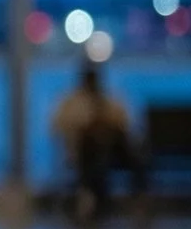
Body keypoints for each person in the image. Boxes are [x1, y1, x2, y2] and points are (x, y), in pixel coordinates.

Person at [52, 64, 144, 220]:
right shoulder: (71, 103)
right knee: (93, 149)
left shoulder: (109, 101)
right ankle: (94, 200)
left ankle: (138, 200)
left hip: (113, 150)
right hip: (83, 152)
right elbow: (57, 126)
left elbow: (125, 124)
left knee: (132, 155)